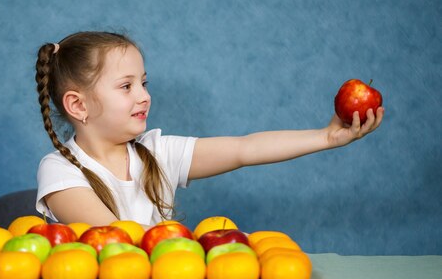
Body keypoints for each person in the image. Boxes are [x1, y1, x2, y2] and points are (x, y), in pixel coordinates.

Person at [34, 31, 384, 227]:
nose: (144, 96)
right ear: (78, 105)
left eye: (144, 83)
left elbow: (244, 149)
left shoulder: (155, 152)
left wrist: (326, 137)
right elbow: (116, 239)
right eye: (126, 87)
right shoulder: (60, 172)